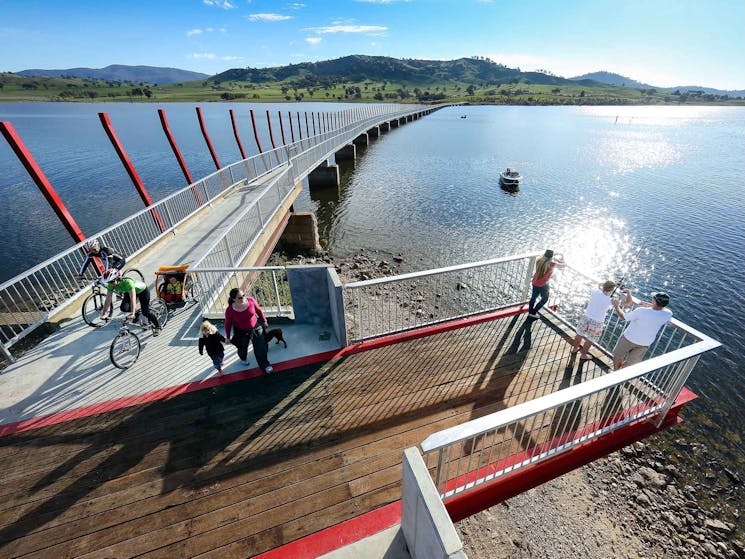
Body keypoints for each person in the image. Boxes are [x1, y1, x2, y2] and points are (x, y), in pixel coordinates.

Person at [612, 291, 672, 370]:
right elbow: (661, 309)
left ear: (654, 301)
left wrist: (616, 306)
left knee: (618, 355)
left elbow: (624, 317)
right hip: (644, 344)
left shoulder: (641, 311)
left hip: (628, 339)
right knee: (630, 363)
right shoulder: (668, 314)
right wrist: (650, 305)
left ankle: (616, 372)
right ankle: (619, 374)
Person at [224, 287, 273, 374]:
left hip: (255, 327)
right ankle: (243, 358)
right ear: (233, 299)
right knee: (242, 348)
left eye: (243, 295)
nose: (243, 298)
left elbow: (259, 310)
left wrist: (264, 320)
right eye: (240, 297)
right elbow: (228, 324)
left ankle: (265, 365)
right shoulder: (230, 310)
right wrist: (228, 337)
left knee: (260, 348)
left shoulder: (250, 300)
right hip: (240, 331)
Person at [571, 280, 624, 360]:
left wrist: (613, 283)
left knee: (579, 334)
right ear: (611, 290)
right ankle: (583, 355)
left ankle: (574, 349)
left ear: (604, 286)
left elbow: (599, 284)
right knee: (590, 339)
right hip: (597, 322)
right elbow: (626, 302)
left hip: (586, 317)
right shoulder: (610, 300)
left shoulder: (595, 291)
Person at [99, 269, 161, 335]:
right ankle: (137, 313)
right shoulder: (111, 285)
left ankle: (158, 326)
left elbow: (132, 298)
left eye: (111, 282)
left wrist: (132, 313)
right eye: (108, 282)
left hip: (142, 291)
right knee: (123, 308)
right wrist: (104, 313)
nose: (110, 284)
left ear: (117, 278)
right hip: (128, 291)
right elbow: (108, 299)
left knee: (145, 312)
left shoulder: (127, 282)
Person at [528, 249, 566, 318]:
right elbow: (563, 265)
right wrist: (562, 257)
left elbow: (546, 259)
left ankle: (530, 312)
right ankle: (533, 312)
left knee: (533, 298)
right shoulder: (552, 264)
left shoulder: (539, 260)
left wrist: (553, 256)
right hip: (543, 284)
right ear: (551, 257)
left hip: (535, 282)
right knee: (545, 299)